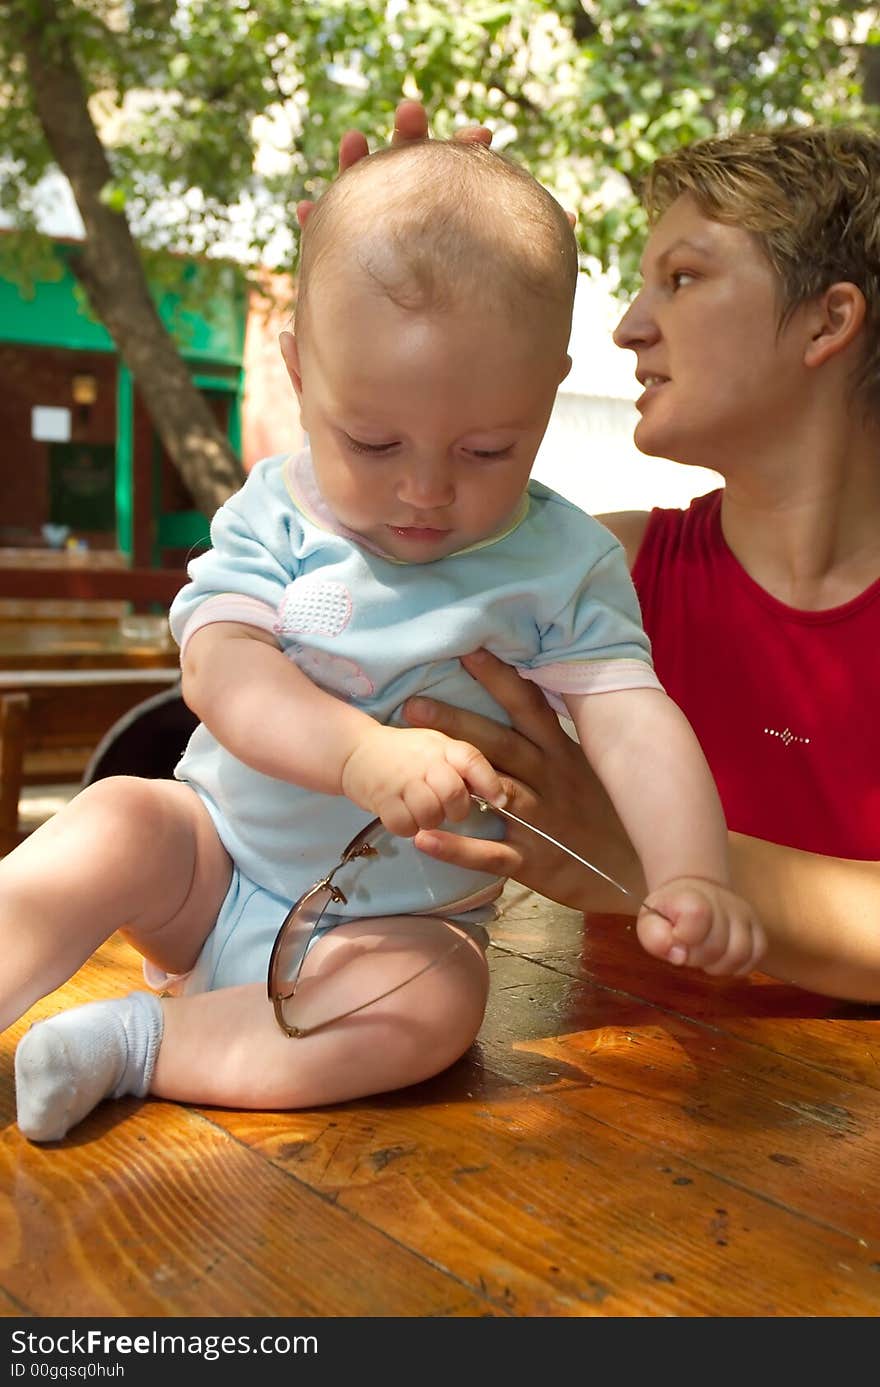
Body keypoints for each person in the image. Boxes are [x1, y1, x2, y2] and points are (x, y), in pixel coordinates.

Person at [6, 138, 762, 1143]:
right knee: (115, 823)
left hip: (390, 931)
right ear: (298, 370)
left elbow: (632, 717)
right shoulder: (280, 512)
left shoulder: (559, 559)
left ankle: (136, 1044)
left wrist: (690, 871)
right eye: (372, 442)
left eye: (487, 449)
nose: (425, 489)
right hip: (213, 864)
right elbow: (219, 667)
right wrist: (359, 753)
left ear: (548, 391)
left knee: (439, 1007)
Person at [359, 105, 880, 1003]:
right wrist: (373, 291)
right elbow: (333, 591)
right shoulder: (602, 566)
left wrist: (627, 849)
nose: (631, 327)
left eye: (682, 278)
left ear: (827, 323)